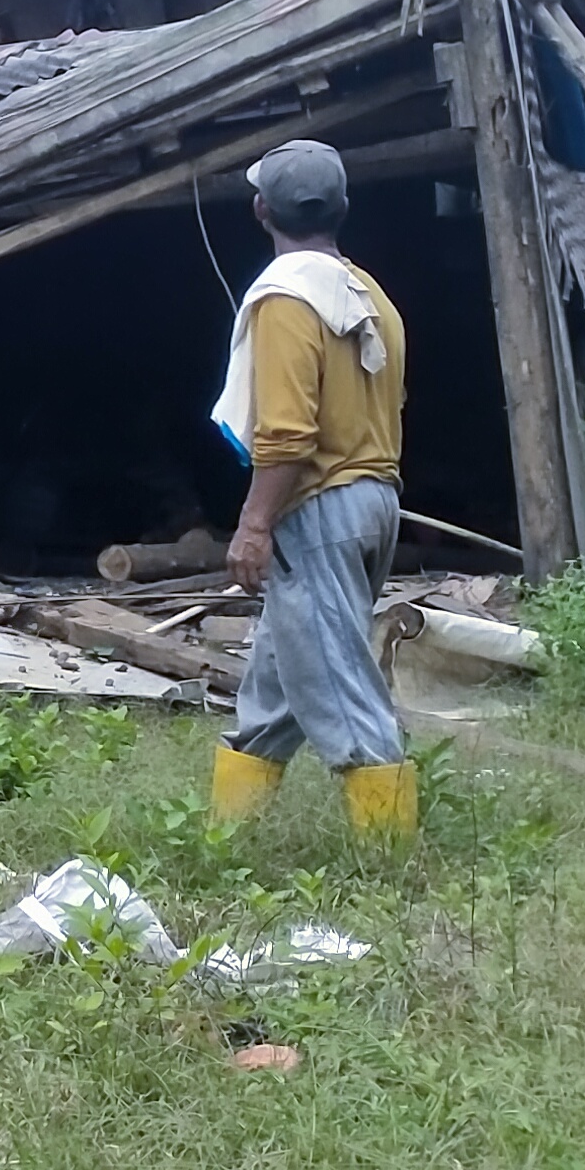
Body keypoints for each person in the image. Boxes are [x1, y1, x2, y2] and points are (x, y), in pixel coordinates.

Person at [207, 139, 413, 840]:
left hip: (320, 507)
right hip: (374, 495)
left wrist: (255, 524)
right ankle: (225, 842)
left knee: (342, 689)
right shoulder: (369, 295)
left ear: (261, 209)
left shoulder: (288, 300)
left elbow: (289, 433)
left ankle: (390, 866)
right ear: (343, 208)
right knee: (274, 688)